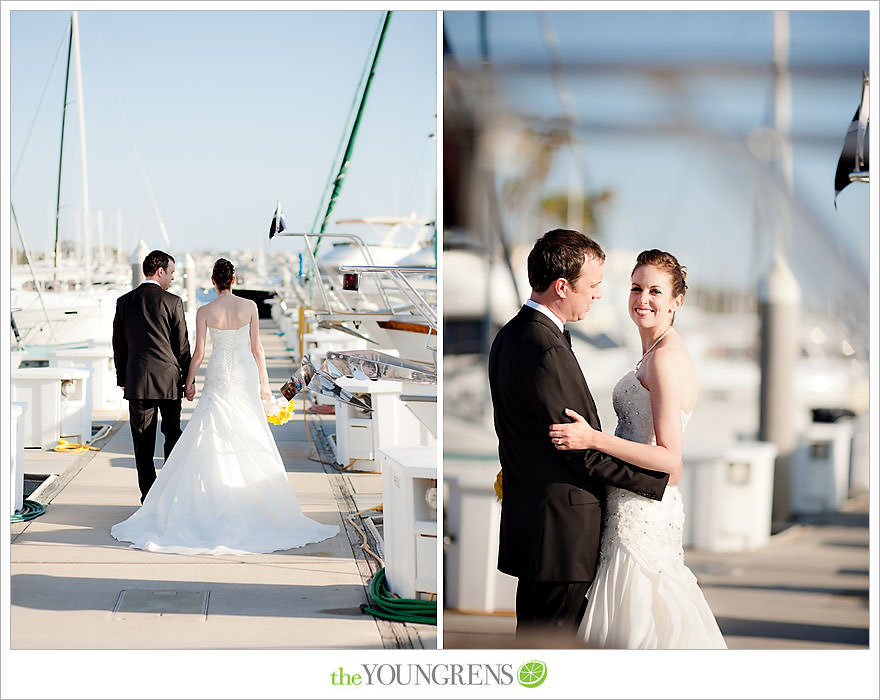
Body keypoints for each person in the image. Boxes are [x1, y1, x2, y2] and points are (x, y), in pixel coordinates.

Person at [488, 229, 669, 643]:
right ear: (562, 286)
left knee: (534, 646)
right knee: (550, 650)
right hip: (561, 533)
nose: (598, 294)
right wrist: (654, 481)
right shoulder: (544, 347)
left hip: (537, 525)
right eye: (592, 285)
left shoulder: (511, 335)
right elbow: (575, 446)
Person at [549, 249, 727, 648]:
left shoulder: (665, 359)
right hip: (625, 508)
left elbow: (670, 462)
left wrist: (593, 439)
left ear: (676, 301)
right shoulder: (651, 352)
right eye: (635, 288)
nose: (642, 299)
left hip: (642, 517)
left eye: (655, 291)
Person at [111, 258, 338, 555]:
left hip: (217, 373)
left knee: (208, 430)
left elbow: (200, 352)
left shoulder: (205, 311)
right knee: (248, 432)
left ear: (213, 281)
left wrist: (189, 381)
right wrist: (265, 385)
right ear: (234, 279)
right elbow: (257, 348)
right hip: (244, 372)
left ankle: (169, 497)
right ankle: (246, 497)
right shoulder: (250, 307)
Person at [113, 250, 191, 504]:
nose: (172, 278)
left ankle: (148, 496)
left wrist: (122, 377)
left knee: (142, 443)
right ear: (159, 272)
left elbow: (119, 345)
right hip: (168, 381)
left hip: (137, 382)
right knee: (172, 435)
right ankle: (168, 492)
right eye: (171, 273)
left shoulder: (124, 301)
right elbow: (181, 346)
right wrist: (188, 380)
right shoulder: (173, 302)